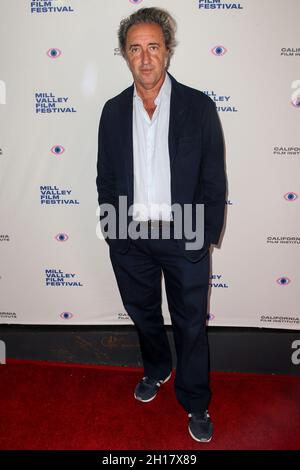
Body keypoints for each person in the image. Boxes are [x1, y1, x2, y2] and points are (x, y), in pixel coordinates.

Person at [96, 7, 226, 443]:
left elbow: (213, 177)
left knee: (191, 324)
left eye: (153, 46)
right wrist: (114, 230)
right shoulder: (113, 112)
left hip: (185, 232)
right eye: (135, 48)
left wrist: (205, 234)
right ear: (125, 55)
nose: (145, 58)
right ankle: (156, 368)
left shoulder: (199, 107)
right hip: (130, 236)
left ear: (168, 51)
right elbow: (106, 177)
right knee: (144, 314)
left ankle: (195, 401)